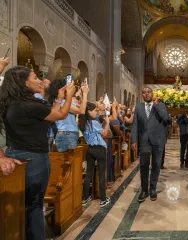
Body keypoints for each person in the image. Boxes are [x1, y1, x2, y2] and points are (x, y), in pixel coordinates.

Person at [0, 66, 76, 240]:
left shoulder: (11, 103)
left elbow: (51, 113)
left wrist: (59, 98)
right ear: (24, 83)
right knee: (34, 206)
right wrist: (70, 95)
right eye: (34, 78)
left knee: (24, 205)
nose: (40, 81)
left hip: (14, 153)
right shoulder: (29, 106)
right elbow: (62, 115)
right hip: (34, 158)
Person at [131, 87, 169, 202]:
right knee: (143, 165)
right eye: (144, 92)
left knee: (156, 165)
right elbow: (135, 125)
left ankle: (153, 188)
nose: (146, 94)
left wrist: (157, 105)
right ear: (142, 94)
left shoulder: (160, 106)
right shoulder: (138, 107)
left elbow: (166, 119)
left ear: (152, 94)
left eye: (149, 92)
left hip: (158, 141)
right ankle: (144, 190)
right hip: (144, 141)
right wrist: (134, 140)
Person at [79, 102, 111, 208]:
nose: (95, 112)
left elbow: (96, 132)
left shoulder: (82, 123)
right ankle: (103, 199)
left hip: (90, 149)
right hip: (99, 149)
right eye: (94, 110)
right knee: (102, 174)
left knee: (89, 174)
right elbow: (105, 134)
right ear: (88, 111)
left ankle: (84, 198)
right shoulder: (93, 122)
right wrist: (107, 123)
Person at [48, 79, 89, 152]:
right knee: (70, 160)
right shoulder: (63, 102)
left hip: (68, 133)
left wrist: (81, 93)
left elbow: (81, 105)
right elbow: (82, 111)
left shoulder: (62, 101)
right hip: (66, 133)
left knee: (71, 160)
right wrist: (85, 93)